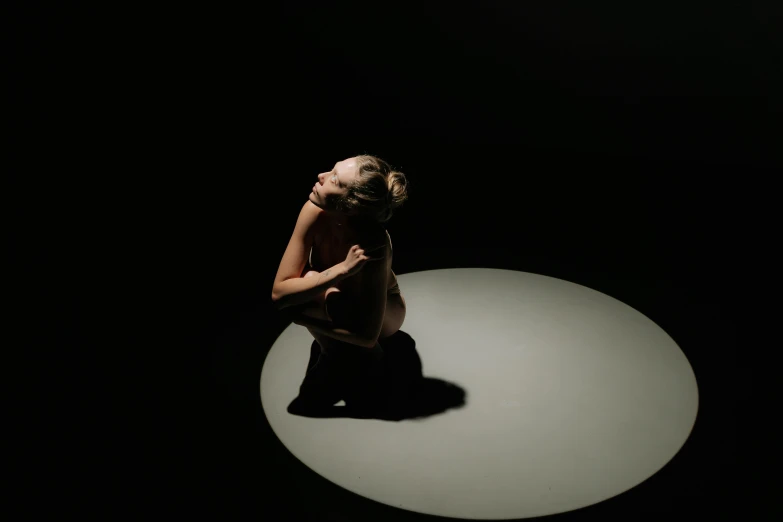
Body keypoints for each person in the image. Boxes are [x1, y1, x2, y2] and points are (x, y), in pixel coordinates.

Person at [271, 154, 409, 413]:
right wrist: (340, 271)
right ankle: (333, 352)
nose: (321, 177)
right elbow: (280, 291)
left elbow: (367, 336)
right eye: (331, 170)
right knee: (312, 281)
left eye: (333, 179)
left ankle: (350, 359)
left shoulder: (373, 243)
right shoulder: (313, 209)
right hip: (340, 294)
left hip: (385, 318)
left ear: (349, 205)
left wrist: (304, 320)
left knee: (314, 290)